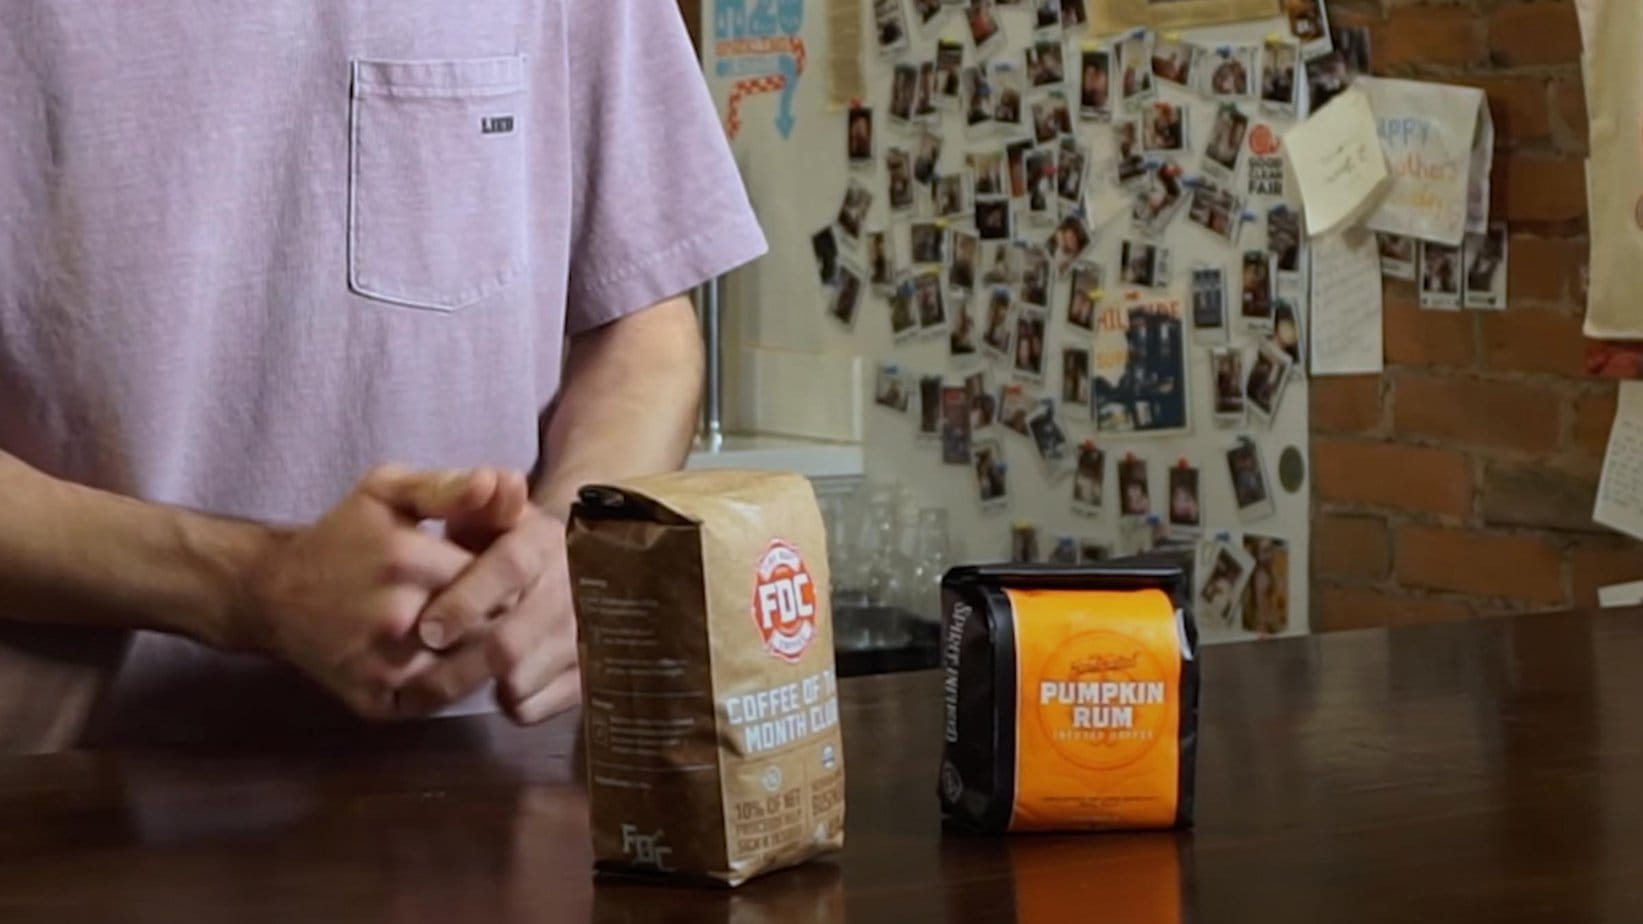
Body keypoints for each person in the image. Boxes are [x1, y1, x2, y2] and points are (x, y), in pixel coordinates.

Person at [0, 4, 764, 751]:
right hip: (76, 798)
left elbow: (643, 326)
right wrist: (253, 585)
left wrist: (576, 536)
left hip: (499, 784)